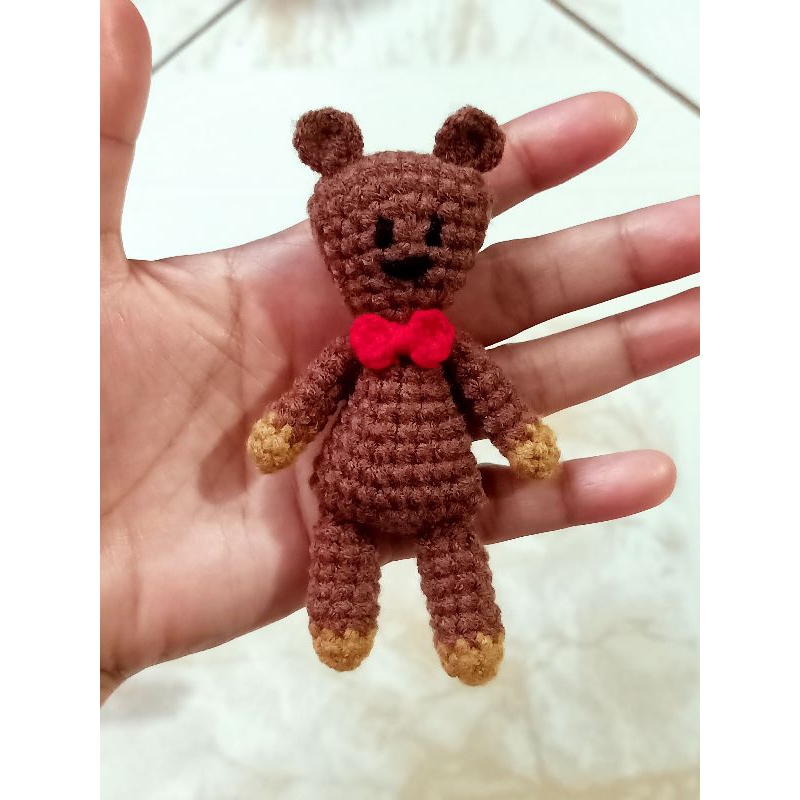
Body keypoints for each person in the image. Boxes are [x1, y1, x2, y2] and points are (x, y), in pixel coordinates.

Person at [100, 0, 699, 704]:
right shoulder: (357, 347)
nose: (410, 248)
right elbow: (316, 390)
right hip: (351, 487)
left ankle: (467, 633)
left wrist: (521, 436)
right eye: (385, 234)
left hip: (442, 489)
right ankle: (342, 622)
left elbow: (490, 393)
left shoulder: (450, 348)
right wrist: (282, 429)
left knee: (453, 548)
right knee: (342, 537)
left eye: (432, 234)